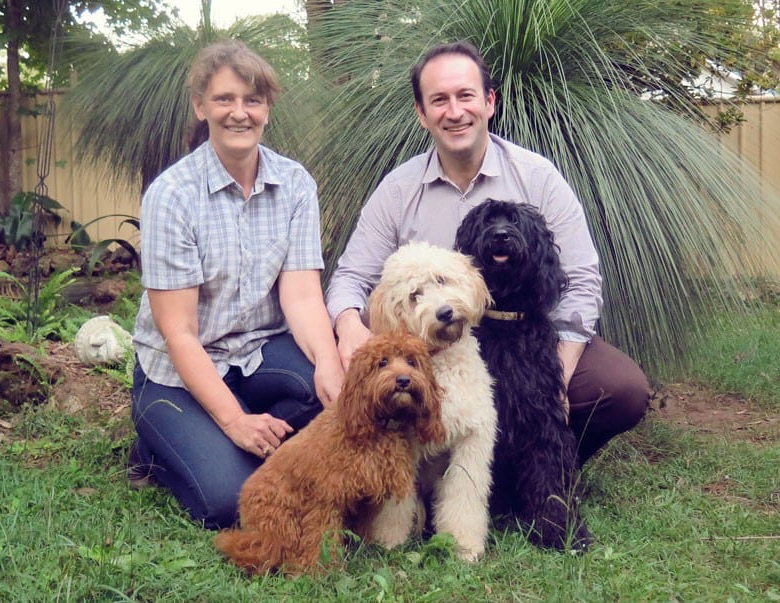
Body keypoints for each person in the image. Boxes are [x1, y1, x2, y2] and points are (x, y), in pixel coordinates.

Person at [325, 41, 650, 465]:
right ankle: (426, 473)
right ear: (421, 114)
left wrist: (558, 374)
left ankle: (547, 468)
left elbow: (582, 279)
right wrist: (350, 328)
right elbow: (351, 276)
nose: (455, 111)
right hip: (434, 349)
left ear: (489, 101)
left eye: (465, 96)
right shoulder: (398, 190)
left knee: (621, 389)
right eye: (439, 100)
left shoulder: (538, 177)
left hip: (524, 341)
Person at [128, 40, 344, 529]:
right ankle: (158, 443)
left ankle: (227, 428)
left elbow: (303, 295)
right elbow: (179, 333)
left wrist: (330, 363)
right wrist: (235, 422)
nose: (239, 113)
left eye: (252, 100)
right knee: (231, 502)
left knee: (326, 395)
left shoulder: (294, 184)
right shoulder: (172, 196)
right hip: (178, 369)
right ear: (200, 106)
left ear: (267, 107)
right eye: (225, 99)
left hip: (258, 353)